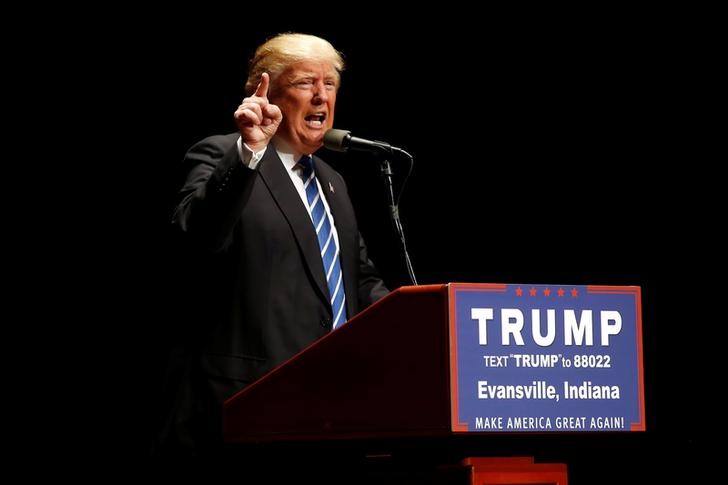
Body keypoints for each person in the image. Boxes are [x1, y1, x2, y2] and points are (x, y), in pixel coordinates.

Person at [155, 33, 389, 455]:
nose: (321, 96)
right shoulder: (225, 155)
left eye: (330, 84)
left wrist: (421, 318)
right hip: (243, 411)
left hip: (330, 409)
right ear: (268, 93)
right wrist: (249, 151)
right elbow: (195, 237)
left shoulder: (332, 183)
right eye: (304, 83)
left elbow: (358, 280)